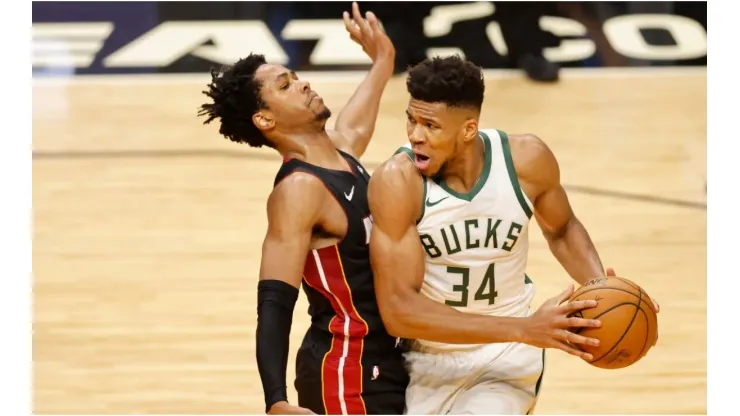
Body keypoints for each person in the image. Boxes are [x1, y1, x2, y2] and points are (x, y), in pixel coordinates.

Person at [367, 55, 660, 414]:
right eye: (411, 120)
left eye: (430, 126)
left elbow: (563, 228)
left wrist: (602, 287)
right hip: (429, 355)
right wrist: (523, 328)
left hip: (507, 356)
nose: (415, 135)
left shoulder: (526, 160)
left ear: (468, 129)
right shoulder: (397, 183)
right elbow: (398, 311)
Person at [197, 3, 408, 415]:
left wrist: (384, 59)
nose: (303, 84)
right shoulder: (298, 191)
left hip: (390, 359)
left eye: (295, 77)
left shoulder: (341, 157)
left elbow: (355, 127)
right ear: (264, 119)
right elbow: (274, 302)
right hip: (347, 373)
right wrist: (275, 399)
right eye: (285, 85)